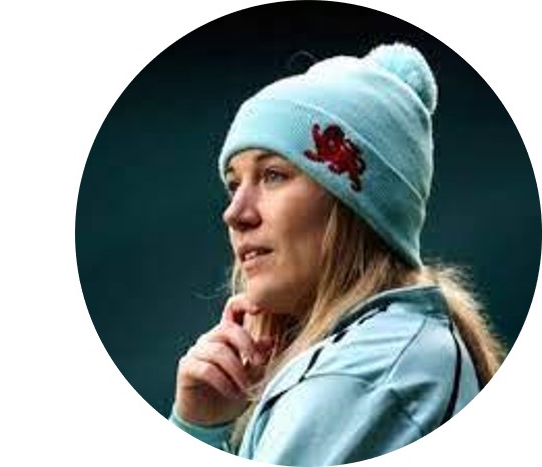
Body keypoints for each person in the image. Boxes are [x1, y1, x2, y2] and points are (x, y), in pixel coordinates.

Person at [170, 43, 506, 466]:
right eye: (234, 184)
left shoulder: (360, 376)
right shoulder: (392, 354)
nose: (234, 214)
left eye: (273, 175)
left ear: (355, 206)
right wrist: (200, 427)